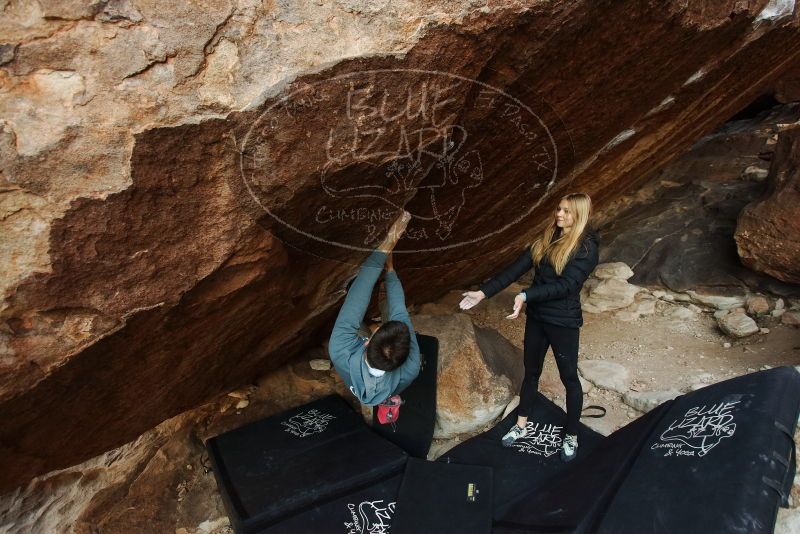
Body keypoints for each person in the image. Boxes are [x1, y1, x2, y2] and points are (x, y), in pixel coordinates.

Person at [459, 193, 599, 462]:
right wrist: (482, 293)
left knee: (569, 377)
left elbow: (568, 286)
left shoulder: (585, 247)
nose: (559, 215)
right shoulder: (547, 238)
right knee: (531, 372)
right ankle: (521, 425)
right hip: (538, 318)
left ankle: (572, 434)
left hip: (563, 321)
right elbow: (514, 269)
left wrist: (525, 296)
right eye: (559, 209)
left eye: (567, 212)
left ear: (579, 216)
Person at [328, 211, 421, 406]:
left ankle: (383, 303)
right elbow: (400, 314)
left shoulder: (340, 348)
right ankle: (384, 302)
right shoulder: (411, 367)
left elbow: (356, 297)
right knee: (391, 314)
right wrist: (390, 272)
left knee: (351, 319)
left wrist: (386, 250)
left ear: (367, 342)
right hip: (384, 384)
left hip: (353, 365)